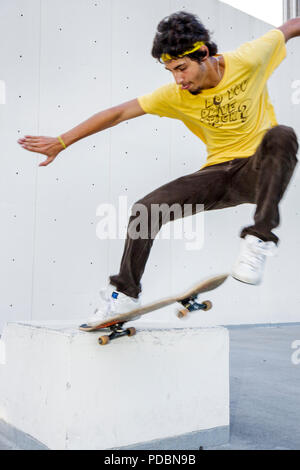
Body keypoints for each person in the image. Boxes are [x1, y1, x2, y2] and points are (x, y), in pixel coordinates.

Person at [18, 11, 299, 327]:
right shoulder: (175, 94)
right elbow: (118, 113)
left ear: (204, 54)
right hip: (218, 175)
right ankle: (124, 293)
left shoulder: (251, 58)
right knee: (145, 210)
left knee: (282, 135)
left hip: (259, 172)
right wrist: (61, 141)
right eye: (171, 71)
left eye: (182, 68)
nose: (179, 80)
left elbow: (290, 26)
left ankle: (259, 239)